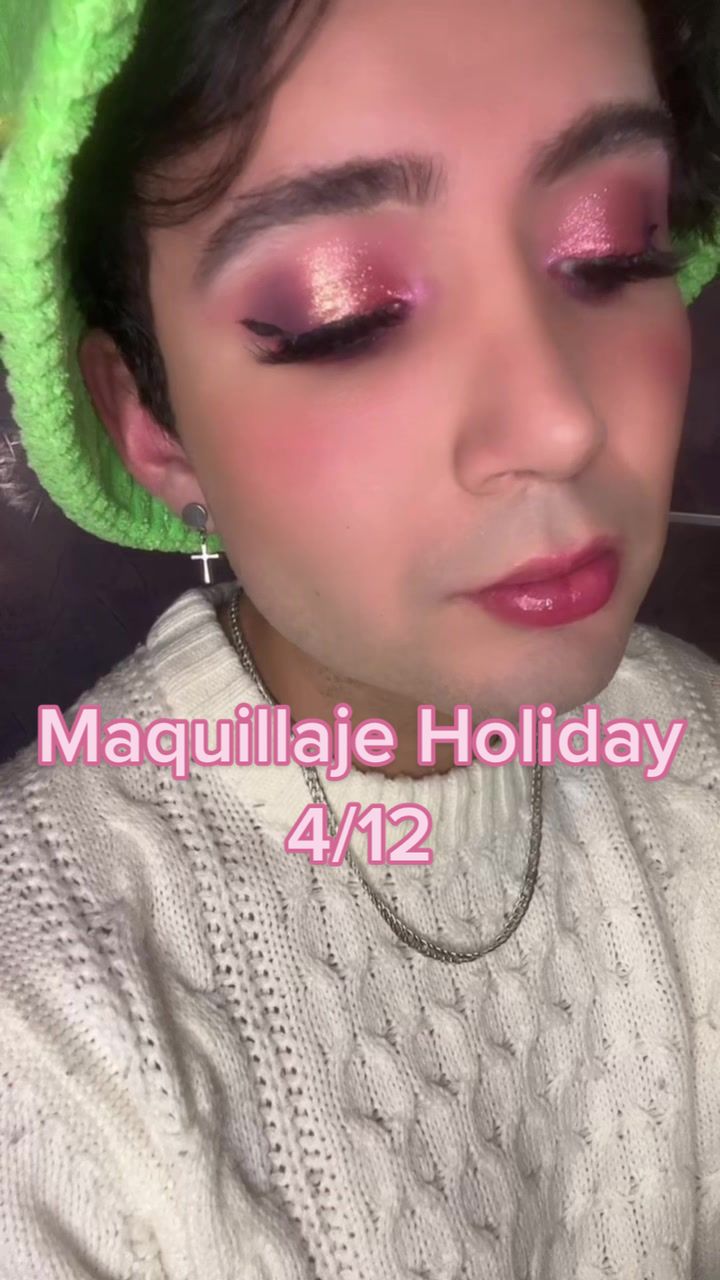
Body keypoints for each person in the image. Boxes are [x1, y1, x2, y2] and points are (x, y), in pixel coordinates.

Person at [1, 0, 720, 1275]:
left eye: (615, 247)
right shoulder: (48, 1028)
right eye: (348, 309)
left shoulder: (695, 749)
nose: (557, 422)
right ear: (152, 423)